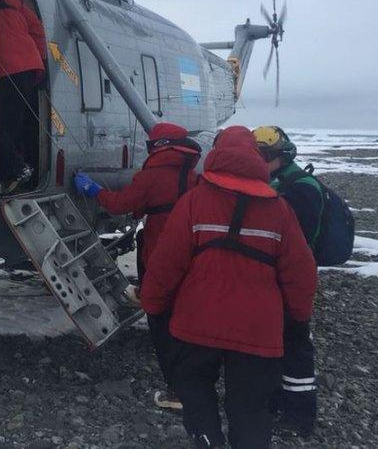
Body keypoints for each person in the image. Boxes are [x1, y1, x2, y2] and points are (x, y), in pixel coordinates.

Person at [141, 126, 317, 448]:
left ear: (217, 154)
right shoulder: (279, 209)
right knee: (250, 406)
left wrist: (152, 303)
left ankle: (208, 441)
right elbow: (301, 272)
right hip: (259, 329)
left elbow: (166, 262)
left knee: (193, 386)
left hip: (197, 322)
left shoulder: (194, 202)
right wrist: (297, 318)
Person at [73, 122, 201, 410]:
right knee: (188, 318)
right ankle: (196, 385)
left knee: (162, 321)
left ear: (158, 146)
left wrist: (93, 190)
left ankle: (177, 393)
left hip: (160, 253)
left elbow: (121, 205)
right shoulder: (194, 176)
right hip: (193, 256)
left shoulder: (151, 176)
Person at [254, 126, 322, 437]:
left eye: (263, 156)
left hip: (289, 280)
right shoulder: (278, 182)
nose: (259, 161)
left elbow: (297, 245)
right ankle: (280, 400)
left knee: (295, 344)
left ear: (281, 156)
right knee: (277, 342)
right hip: (274, 281)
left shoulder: (300, 189)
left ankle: (300, 415)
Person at [0, 0, 47, 193]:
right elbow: (38, 31)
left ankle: (16, 168)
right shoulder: (15, 1)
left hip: (5, 67)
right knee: (17, 123)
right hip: (29, 66)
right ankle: (19, 164)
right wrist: (40, 62)